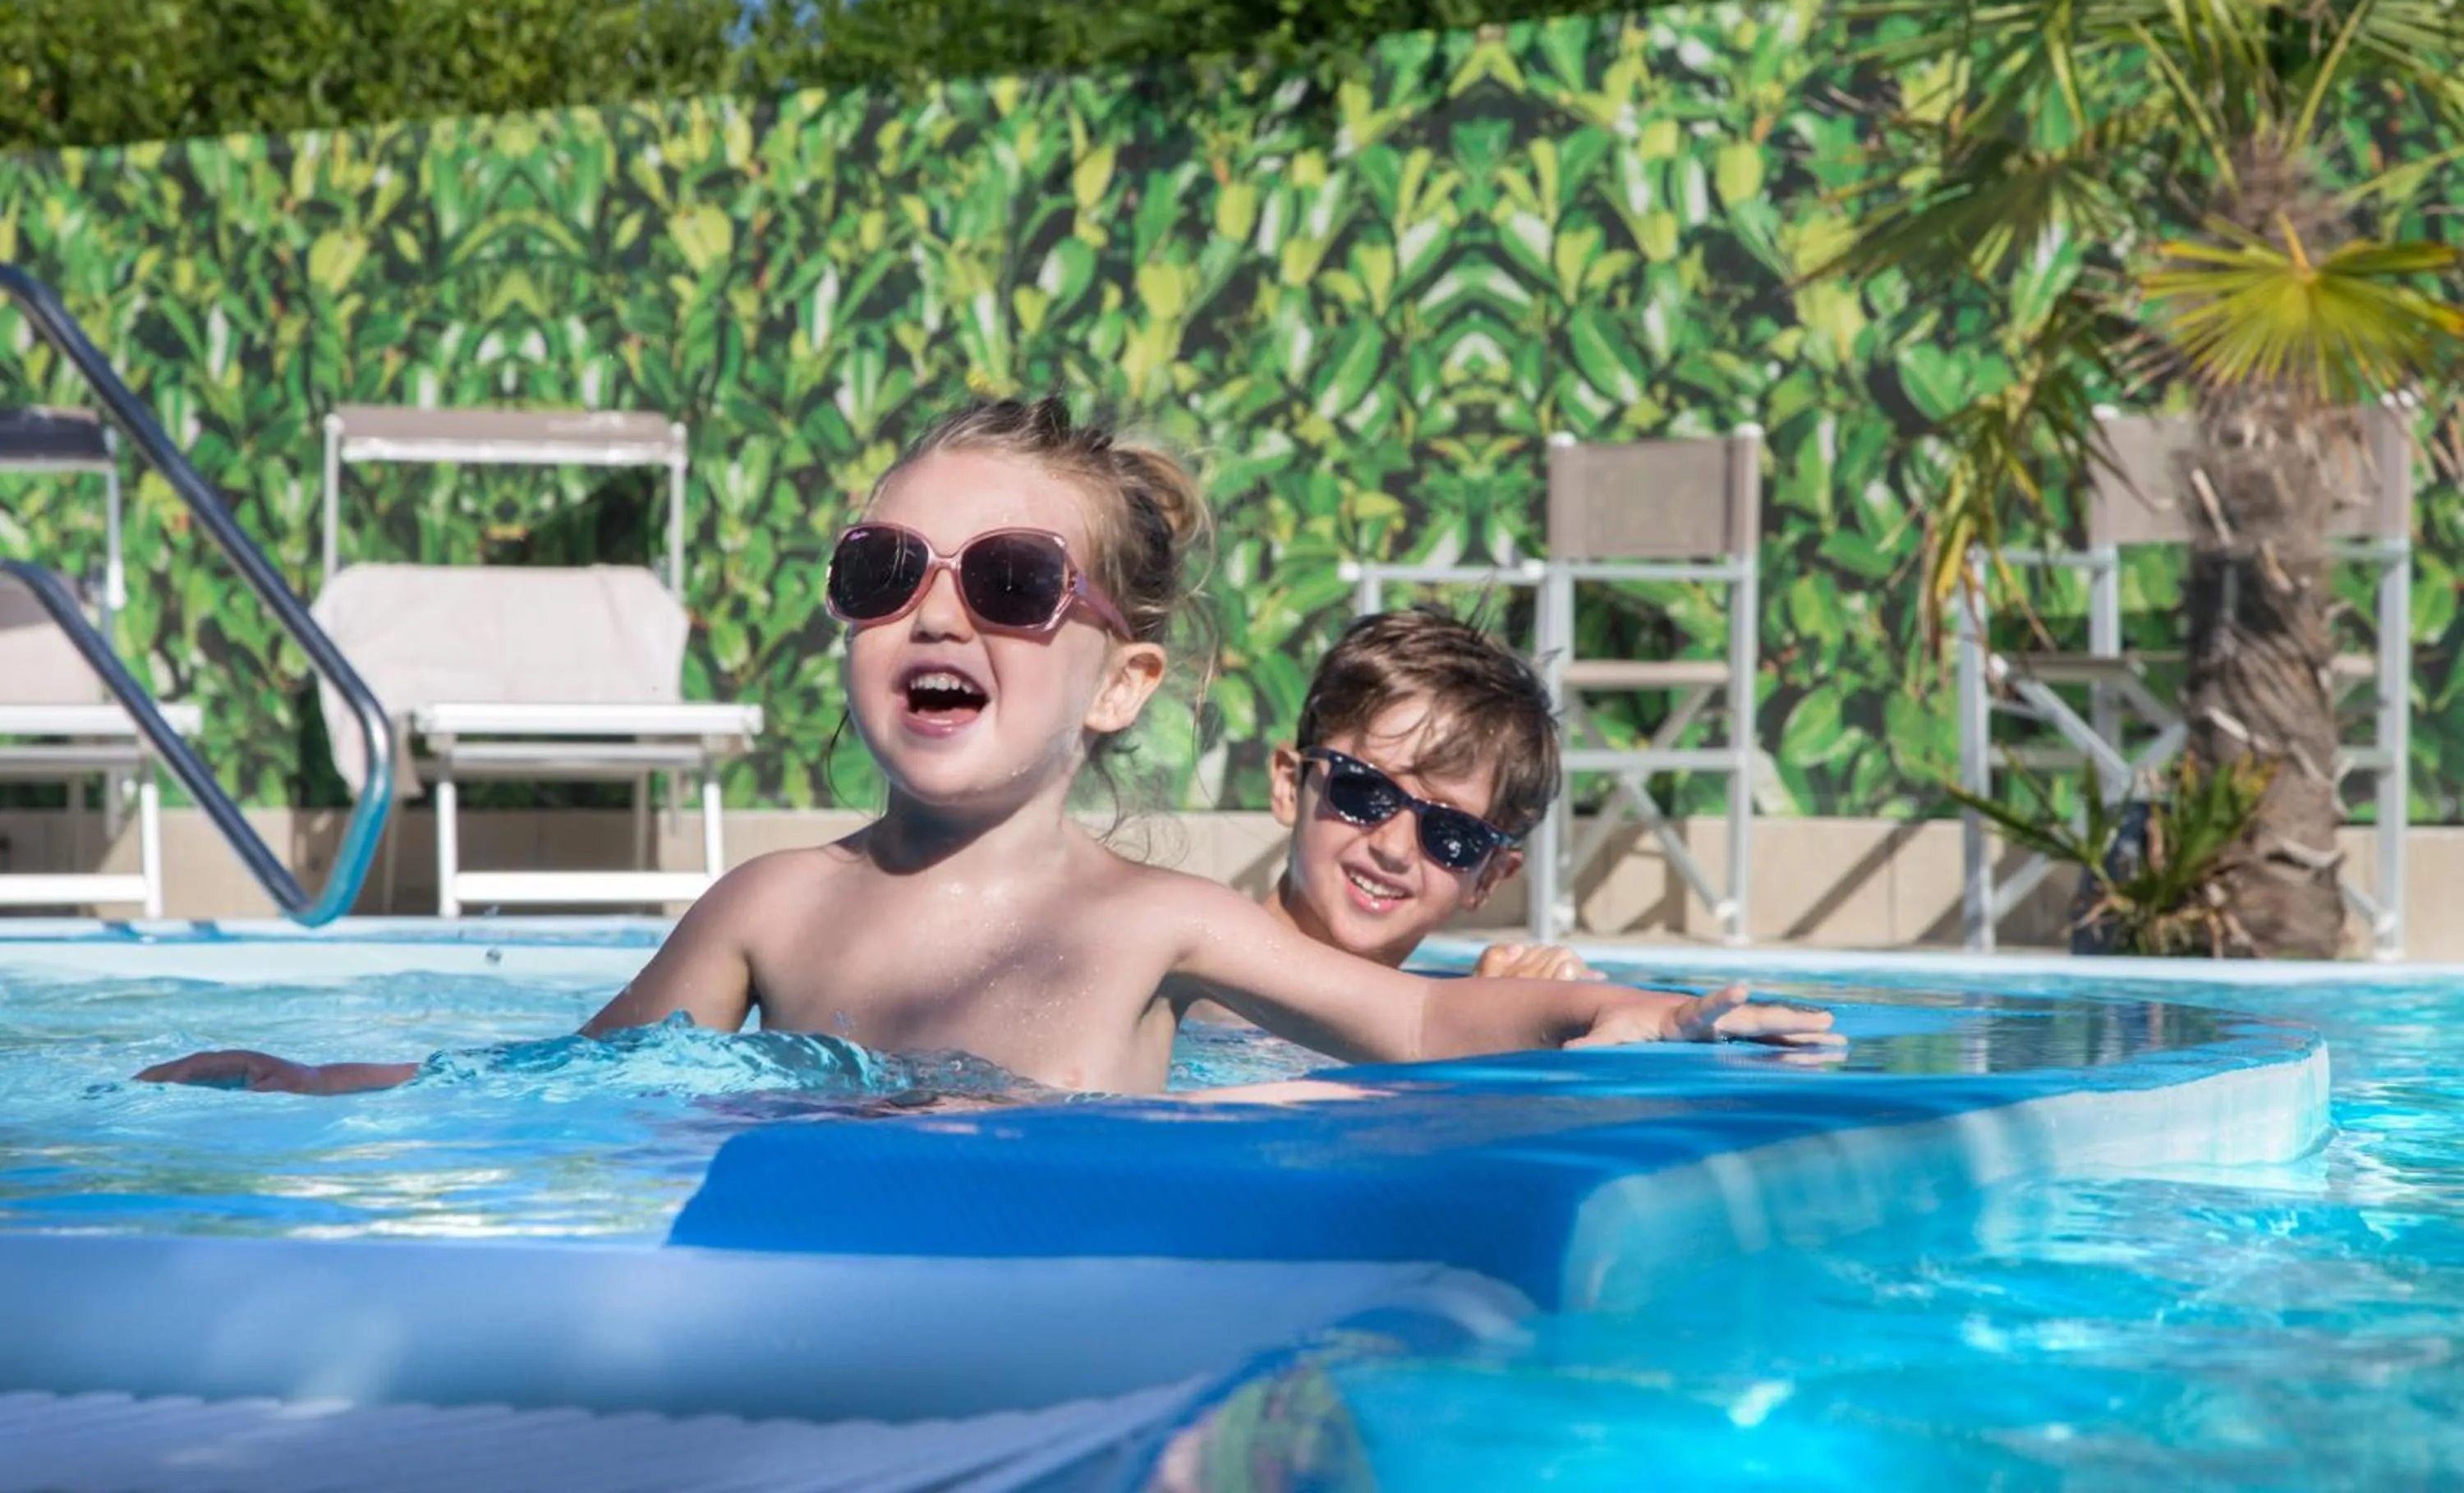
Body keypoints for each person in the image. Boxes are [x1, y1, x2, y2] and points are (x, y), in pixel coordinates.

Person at [139, 398, 1835, 1098]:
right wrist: (299, 1088)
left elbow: (1416, 1016)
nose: (938, 615)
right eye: (888, 575)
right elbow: (554, 1094)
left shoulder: (1156, 923)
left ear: (1119, 682)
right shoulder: (769, 909)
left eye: (1015, 584)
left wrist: (1651, 1011)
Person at [1259, 608, 1600, 989]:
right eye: (1365, 791)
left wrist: (1486, 1019)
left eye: (1450, 832)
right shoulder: (1192, 976)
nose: (1394, 849)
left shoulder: (1452, 1023)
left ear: (1488, 878)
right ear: (1290, 785)